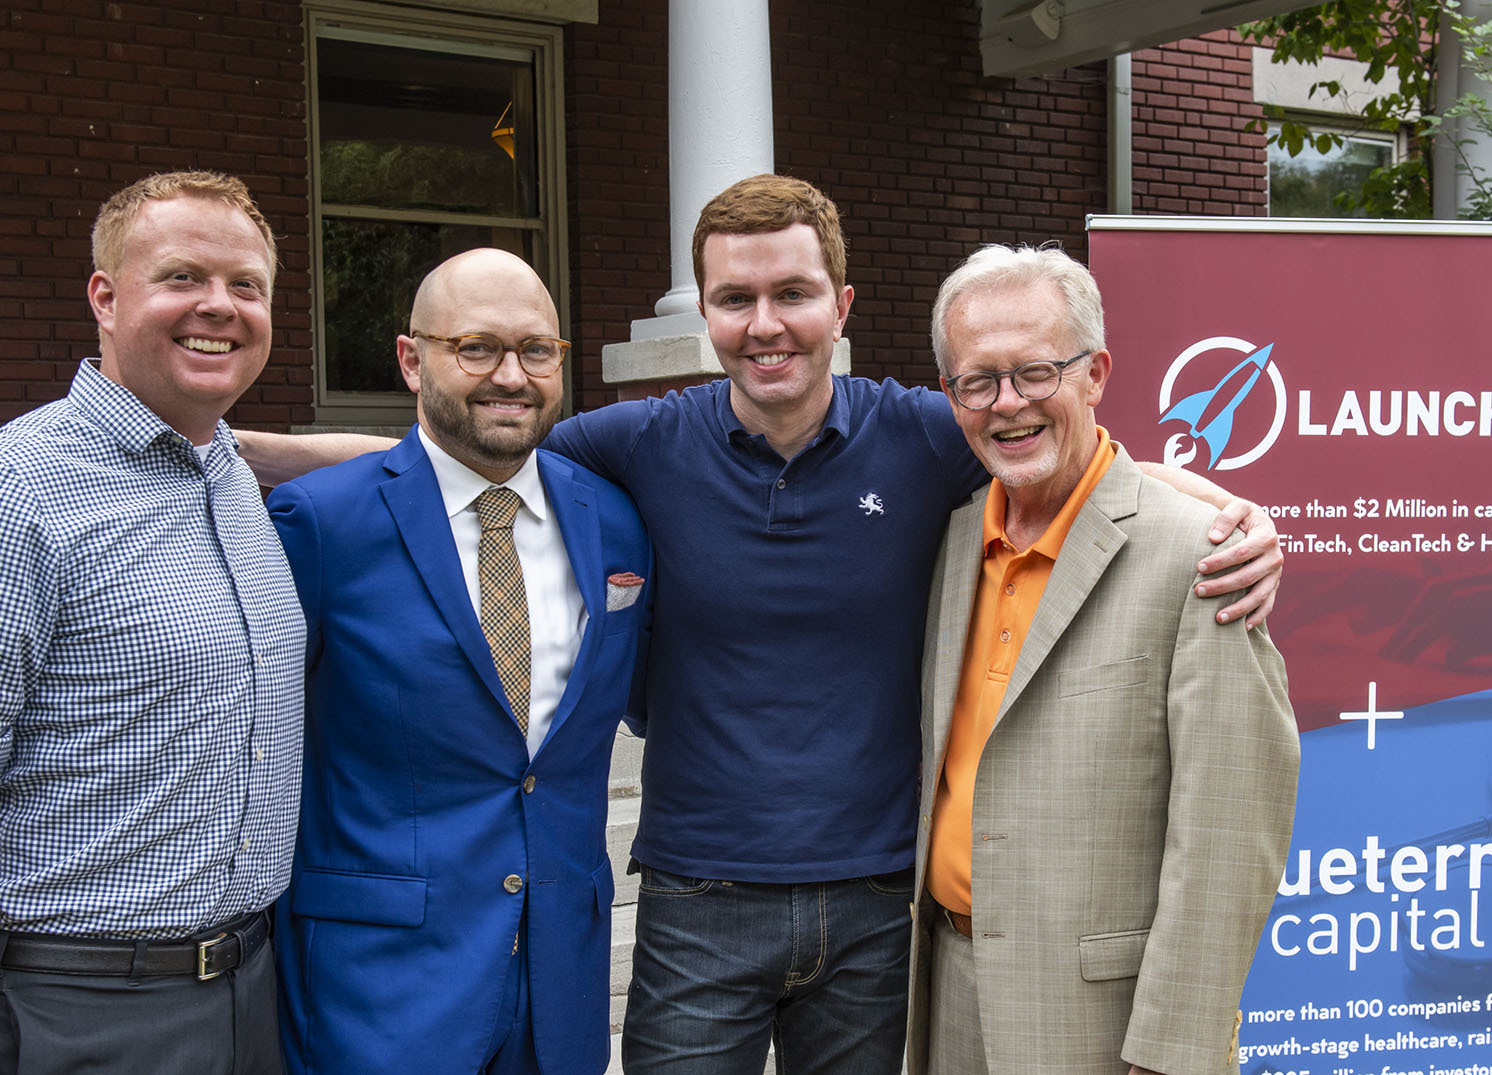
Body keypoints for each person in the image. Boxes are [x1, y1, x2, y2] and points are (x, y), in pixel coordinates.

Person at [237, 174, 1283, 1075]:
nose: (765, 323)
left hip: (877, 906)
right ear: (706, 311)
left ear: (841, 304)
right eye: (735, 298)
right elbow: (458, 456)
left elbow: (1071, 452)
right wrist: (234, 446)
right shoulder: (640, 444)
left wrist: (1225, 510)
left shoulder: (928, 433)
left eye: (792, 293)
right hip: (698, 899)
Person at [908, 244, 1299, 1075]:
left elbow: (1232, 834)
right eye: (979, 381)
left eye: (1037, 372)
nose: (1008, 403)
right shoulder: (951, 540)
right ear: (950, 395)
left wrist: (1172, 1052)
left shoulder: (1200, 553)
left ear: (1095, 374)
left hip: (1103, 1024)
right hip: (948, 995)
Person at [267, 248, 653, 1075]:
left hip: (561, 983)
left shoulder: (616, 519)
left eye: (536, 350)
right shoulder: (322, 522)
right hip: (379, 990)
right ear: (412, 360)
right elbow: (255, 744)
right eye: (476, 347)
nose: (511, 376)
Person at [0, 171, 302, 1073]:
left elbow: (398, 460)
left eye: (246, 285)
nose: (220, 306)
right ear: (105, 297)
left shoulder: (229, 468)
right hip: (77, 1007)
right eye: (182, 277)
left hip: (254, 990)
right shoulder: (20, 491)